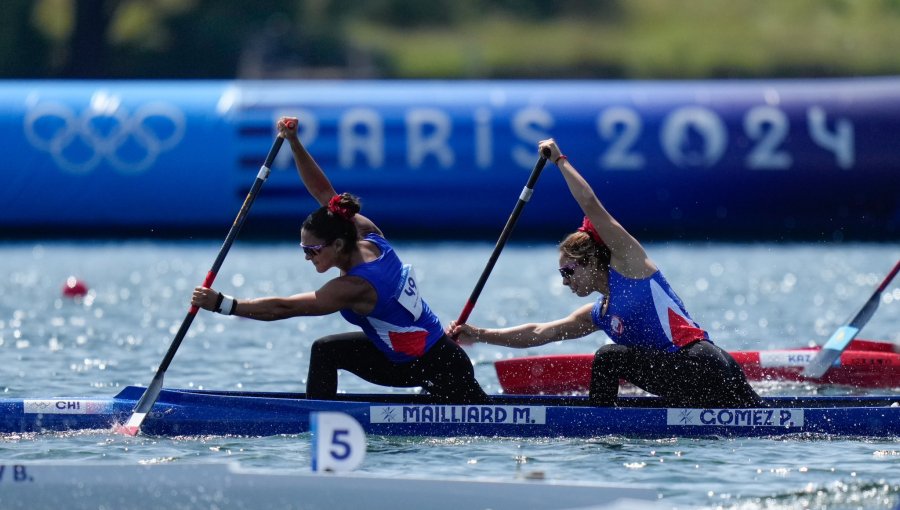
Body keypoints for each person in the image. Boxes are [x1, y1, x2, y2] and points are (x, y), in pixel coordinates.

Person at [192, 117, 487, 404]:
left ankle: (315, 420)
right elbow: (324, 193)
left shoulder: (354, 286)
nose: (307, 257)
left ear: (337, 244)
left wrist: (223, 304)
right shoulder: (366, 234)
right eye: (303, 249)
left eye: (312, 250)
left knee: (326, 351)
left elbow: (286, 307)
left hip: (437, 368)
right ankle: (319, 412)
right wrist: (293, 142)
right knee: (325, 350)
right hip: (422, 357)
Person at [449, 139, 761, 409]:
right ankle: (611, 421)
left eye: (567, 271)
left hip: (705, 365)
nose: (564, 281)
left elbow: (590, 203)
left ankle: (599, 429)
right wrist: (478, 334)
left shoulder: (631, 265)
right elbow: (540, 332)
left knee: (609, 357)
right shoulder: (598, 313)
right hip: (686, 378)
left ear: (589, 261)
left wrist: (559, 160)